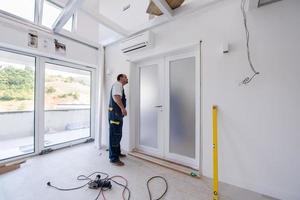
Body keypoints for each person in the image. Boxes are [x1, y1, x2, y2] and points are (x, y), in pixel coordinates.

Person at [108, 74, 128, 166]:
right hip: (115, 114)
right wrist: (123, 108)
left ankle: (117, 153)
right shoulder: (118, 84)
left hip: (116, 114)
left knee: (117, 134)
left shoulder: (119, 86)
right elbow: (116, 97)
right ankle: (114, 158)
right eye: (125, 77)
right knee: (115, 135)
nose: (127, 78)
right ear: (120, 78)